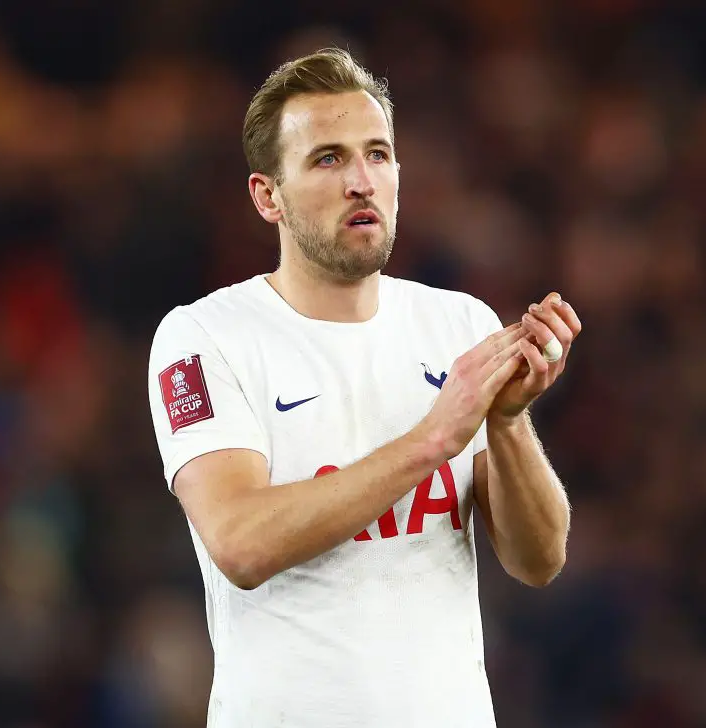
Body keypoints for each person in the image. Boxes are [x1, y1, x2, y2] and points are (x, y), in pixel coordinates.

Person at [147, 47, 580, 728]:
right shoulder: (205, 338)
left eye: (378, 154)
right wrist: (434, 438)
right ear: (268, 196)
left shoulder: (458, 324)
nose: (361, 181)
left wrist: (507, 422)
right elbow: (241, 543)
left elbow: (539, 560)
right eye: (328, 159)